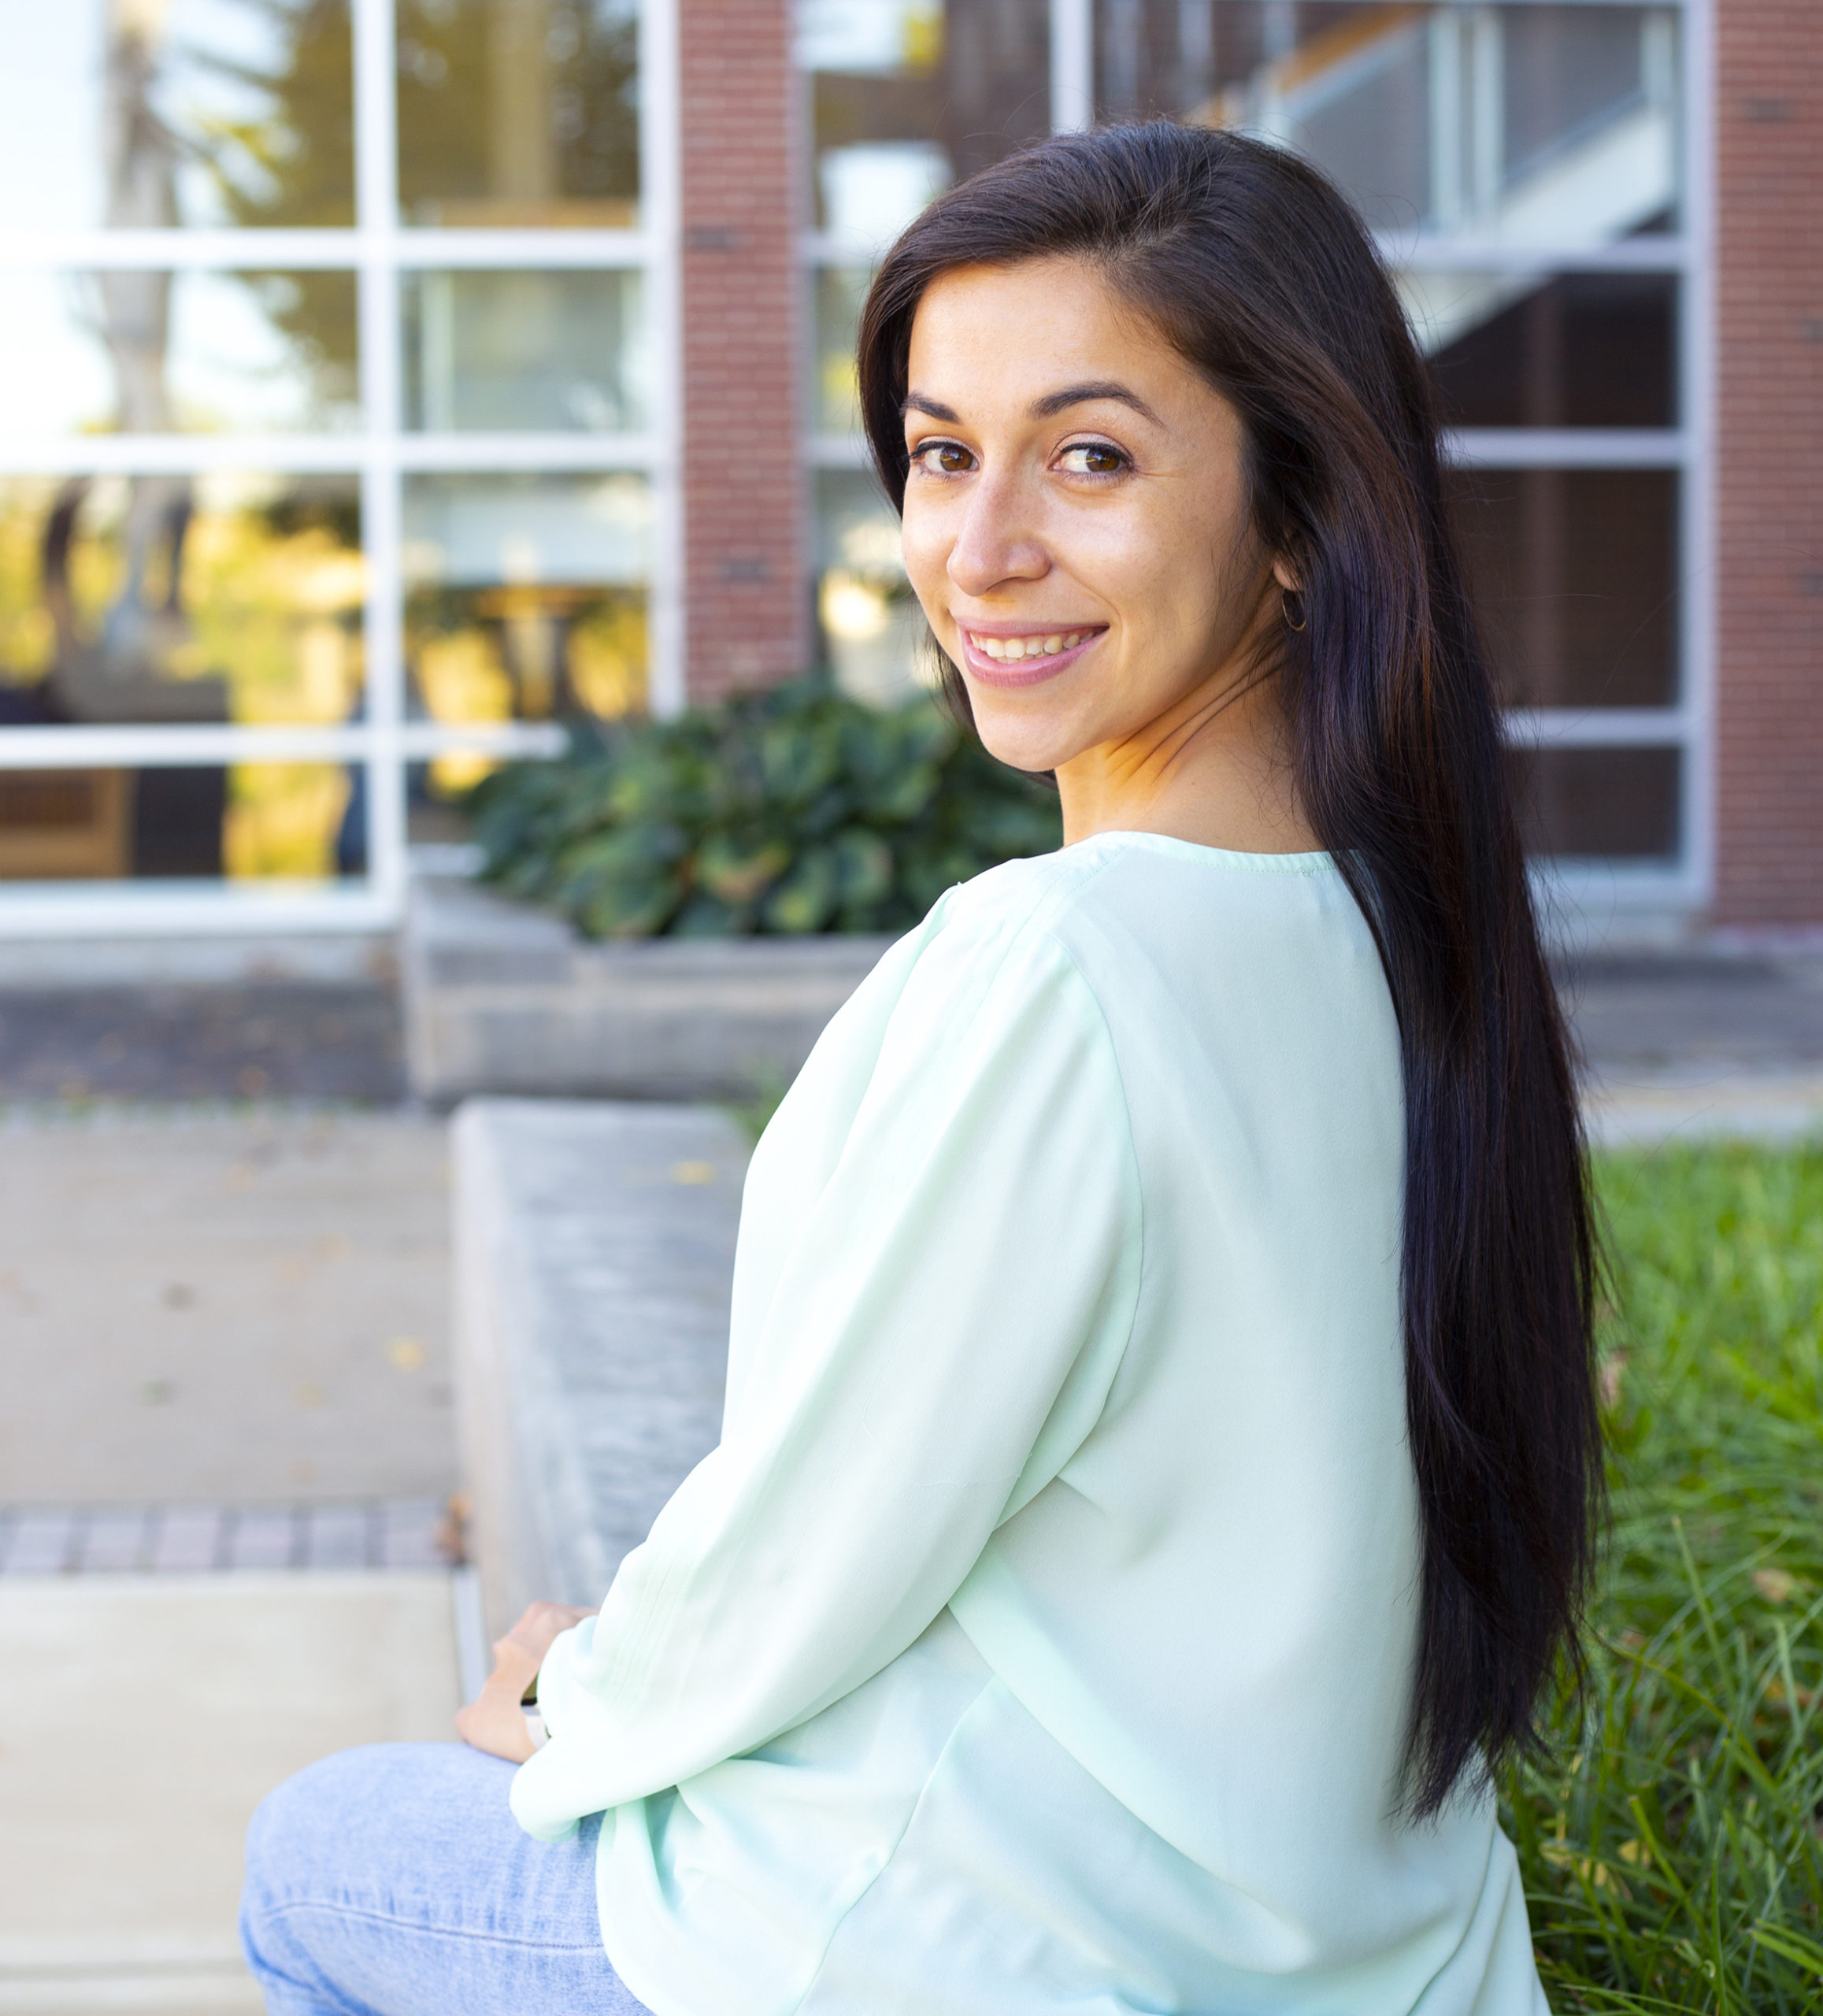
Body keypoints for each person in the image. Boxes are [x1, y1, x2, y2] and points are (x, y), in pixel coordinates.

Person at [241, 123, 1599, 2016]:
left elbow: (823, 1531)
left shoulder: (1057, 967)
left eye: (1092, 457)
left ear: (1298, 521)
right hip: (1347, 1945)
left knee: (315, 1849)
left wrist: (579, 1693)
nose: (978, 548)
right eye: (945, 452)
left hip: (985, 1942)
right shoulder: (1403, 936)